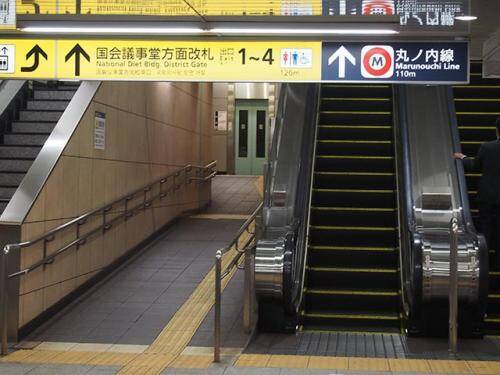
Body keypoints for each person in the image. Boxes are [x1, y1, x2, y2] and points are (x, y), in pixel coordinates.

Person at [454, 118, 500, 268]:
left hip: (487, 196)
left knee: (486, 227)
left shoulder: (487, 147)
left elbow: (474, 166)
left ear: (496, 130)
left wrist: (463, 158)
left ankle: (484, 263)